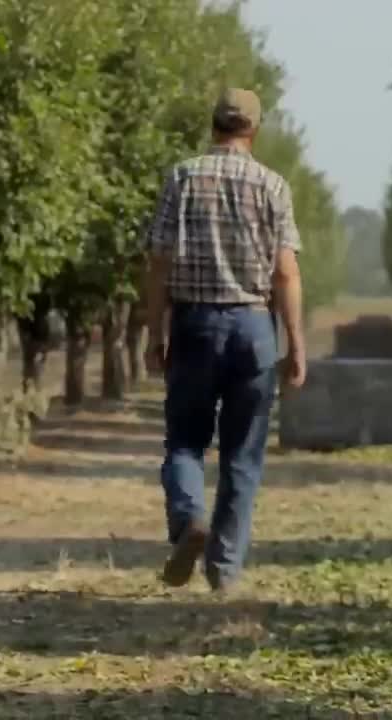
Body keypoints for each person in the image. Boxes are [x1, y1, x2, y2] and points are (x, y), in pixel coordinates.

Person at [141, 87, 307, 592]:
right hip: (253, 328)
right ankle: (225, 569)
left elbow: (159, 261)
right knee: (243, 453)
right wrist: (295, 345)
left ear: (213, 126)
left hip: (195, 325)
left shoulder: (182, 177)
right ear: (253, 131)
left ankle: (190, 519)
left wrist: (155, 331)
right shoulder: (272, 186)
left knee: (186, 442)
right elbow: (285, 272)